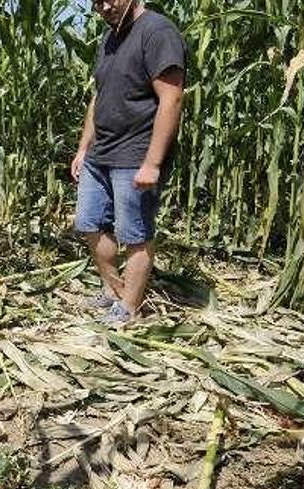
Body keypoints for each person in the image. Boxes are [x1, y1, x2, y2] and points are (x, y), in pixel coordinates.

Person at [70, 0, 186, 324]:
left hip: (135, 154)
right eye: (96, 2)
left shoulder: (157, 32)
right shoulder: (109, 39)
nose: (105, 7)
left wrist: (152, 162)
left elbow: (172, 98)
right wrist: (83, 147)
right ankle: (113, 290)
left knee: (135, 234)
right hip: (100, 154)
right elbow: (100, 96)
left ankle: (130, 307)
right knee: (89, 224)